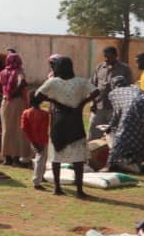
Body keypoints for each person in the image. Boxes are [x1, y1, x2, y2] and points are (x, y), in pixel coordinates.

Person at [34, 56, 99, 198]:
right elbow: (96, 91)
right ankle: (79, 190)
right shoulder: (81, 81)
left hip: (58, 120)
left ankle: (57, 188)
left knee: (56, 155)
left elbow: (37, 96)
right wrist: (82, 103)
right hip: (75, 120)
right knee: (78, 158)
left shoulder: (52, 82)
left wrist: (52, 100)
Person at [103, 77, 144, 173]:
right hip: (143, 103)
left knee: (120, 137)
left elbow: (117, 114)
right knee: (141, 135)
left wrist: (110, 127)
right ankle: (136, 161)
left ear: (114, 86)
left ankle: (109, 165)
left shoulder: (113, 93)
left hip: (133, 107)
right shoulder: (135, 88)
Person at [89, 46, 133, 140]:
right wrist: (92, 102)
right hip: (99, 106)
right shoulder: (100, 67)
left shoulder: (124, 69)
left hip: (115, 108)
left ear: (116, 56)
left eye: (109, 56)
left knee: (114, 135)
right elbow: (93, 85)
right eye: (105, 56)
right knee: (94, 134)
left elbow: (128, 88)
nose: (106, 59)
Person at [0, 52, 32, 167]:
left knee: (6, 130)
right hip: (17, 102)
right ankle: (16, 159)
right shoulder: (19, 71)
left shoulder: (2, 72)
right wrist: (14, 93)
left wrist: (7, 94)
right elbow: (21, 82)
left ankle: (7, 158)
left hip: (5, 102)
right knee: (18, 130)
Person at [20, 93, 51, 190]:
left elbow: (24, 128)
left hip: (32, 139)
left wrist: (33, 141)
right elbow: (44, 128)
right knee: (41, 159)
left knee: (41, 159)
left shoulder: (26, 112)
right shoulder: (44, 114)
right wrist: (39, 143)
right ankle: (37, 181)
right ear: (41, 101)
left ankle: (41, 177)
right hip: (41, 140)